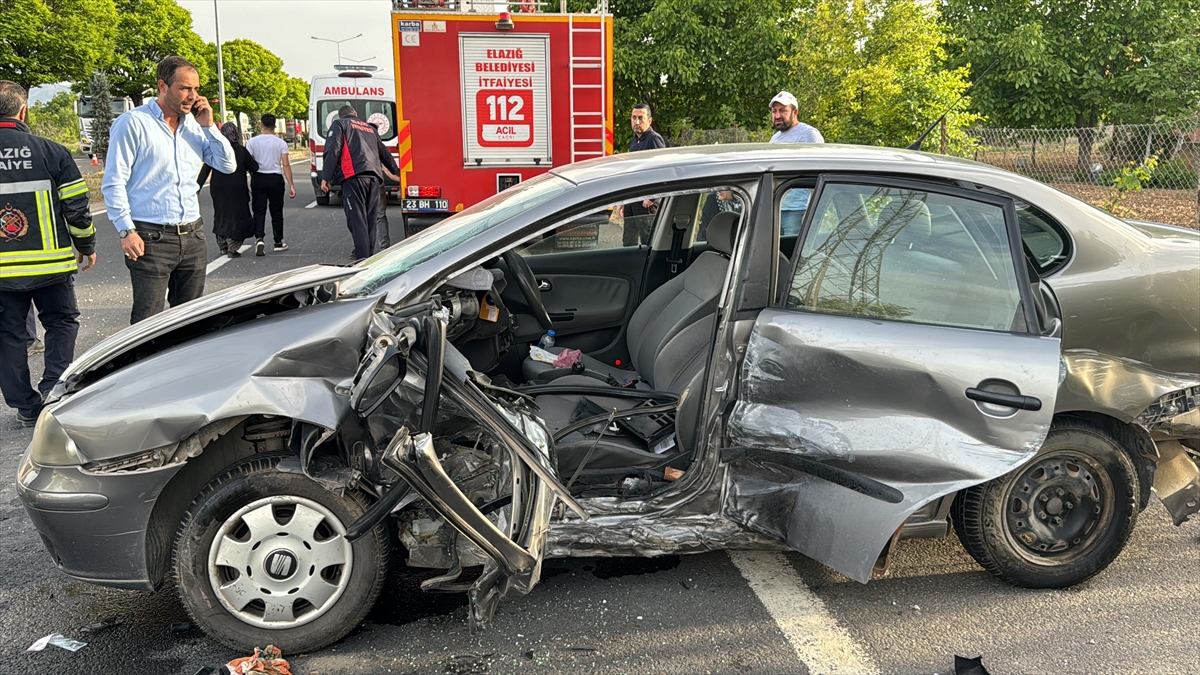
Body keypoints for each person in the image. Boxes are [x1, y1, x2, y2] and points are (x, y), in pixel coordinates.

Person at [103, 56, 235, 324]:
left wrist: (210, 126)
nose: (193, 96)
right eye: (185, 88)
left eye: (196, 89)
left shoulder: (196, 127)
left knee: (189, 321)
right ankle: (143, 367)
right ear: (163, 86)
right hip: (150, 238)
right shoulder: (133, 123)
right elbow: (114, 181)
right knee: (147, 323)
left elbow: (227, 164)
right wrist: (126, 230)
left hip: (193, 236)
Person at [0, 80, 97, 426]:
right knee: (60, 322)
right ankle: (54, 391)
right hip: (50, 266)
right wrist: (86, 246)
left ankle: (25, 407)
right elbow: (77, 209)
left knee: (7, 334)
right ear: (23, 110)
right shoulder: (52, 151)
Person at [321, 106, 399, 261]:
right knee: (371, 221)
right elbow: (384, 152)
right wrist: (396, 171)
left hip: (353, 176)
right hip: (375, 177)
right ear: (355, 114)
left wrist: (326, 177)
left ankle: (362, 260)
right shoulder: (369, 129)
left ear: (341, 115)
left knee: (357, 220)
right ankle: (368, 258)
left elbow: (333, 150)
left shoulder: (339, 125)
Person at [767, 91, 824, 236]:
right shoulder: (775, 139)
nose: (777, 115)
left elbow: (819, 175)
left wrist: (812, 212)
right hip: (775, 208)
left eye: (783, 111)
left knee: (793, 255)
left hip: (798, 211)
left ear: (795, 112)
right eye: (774, 111)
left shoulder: (809, 135)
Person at [199, 122, 259, 258]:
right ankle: (233, 247)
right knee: (238, 215)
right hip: (237, 189)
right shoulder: (241, 150)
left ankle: (222, 245)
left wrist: (197, 188)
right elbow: (254, 168)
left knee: (221, 213)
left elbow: (204, 171)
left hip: (218, 189)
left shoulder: (216, 150)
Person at [245, 113, 295, 255]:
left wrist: (253, 174)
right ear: (274, 126)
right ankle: (278, 241)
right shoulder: (281, 143)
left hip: (258, 178)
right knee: (276, 212)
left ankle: (259, 238)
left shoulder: (252, 142)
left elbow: (249, 162)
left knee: (259, 211)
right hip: (275, 179)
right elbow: (285, 164)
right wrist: (291, 185)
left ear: (261, 125)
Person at [620, 103, 666, 246]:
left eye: (641, 118)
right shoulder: (634, 142)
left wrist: (653, 197)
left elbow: (664, 171)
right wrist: (624, 200)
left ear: (649, 120)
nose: (637, 122)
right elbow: (632, 173)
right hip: (632, 202)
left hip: (646, 203)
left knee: (648, 243)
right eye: (634, 118)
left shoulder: (654, 139)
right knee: (628, 244)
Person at [368, 117, 403, 251]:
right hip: (377, 184)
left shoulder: (358, 144)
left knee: (363, 217)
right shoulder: (378, 145)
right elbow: (388, 167)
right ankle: (384, 248)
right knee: (380, 216)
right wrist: (401, 178)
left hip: (360, 185)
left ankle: (365, 248)